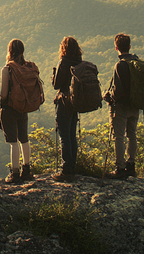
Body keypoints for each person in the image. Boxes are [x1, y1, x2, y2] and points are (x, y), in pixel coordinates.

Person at [0, 39, 37, 184]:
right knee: (24, 138)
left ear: (10, 51)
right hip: (23, 107)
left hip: (10, 108)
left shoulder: (7, 69)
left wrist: (2, 103)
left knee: (13, 141)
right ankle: (26, 170)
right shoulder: (26, 68)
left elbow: (3, 94)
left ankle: (14, 173)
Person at [104, 33, 139, 179]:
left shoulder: (120, 65)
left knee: (119, 137)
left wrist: (110, 99)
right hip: (136, 105)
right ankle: (131, 165)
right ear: (129, 46)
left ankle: (120, 168)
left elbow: (117, 91)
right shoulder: (137, 62)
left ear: (116, 47)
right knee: (132, 135)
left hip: (122, 107)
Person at [51, 36, 83, 182]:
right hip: (75, 103)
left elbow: (57, 85)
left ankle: (66, 170)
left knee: (64, 136)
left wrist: (53, 76)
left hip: (64, 102)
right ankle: (72, 167)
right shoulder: (79, 63)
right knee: (71, 135)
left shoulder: (64, 63)